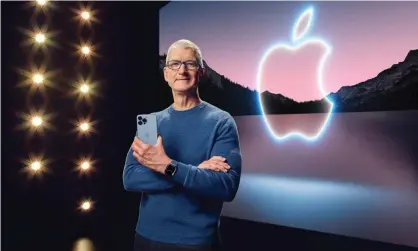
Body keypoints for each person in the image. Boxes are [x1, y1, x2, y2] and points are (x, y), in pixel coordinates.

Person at [123, 39, 242, 251]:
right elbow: (131, 178)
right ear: (166, 74)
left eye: (191, 63)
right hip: (146, 237)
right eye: (174, 64)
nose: (182, 70)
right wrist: (194, 172)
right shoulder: (151, 122)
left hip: (196, 242)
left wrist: (166, 166)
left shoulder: (222, 122)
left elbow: (226, 186)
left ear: (202, 72)